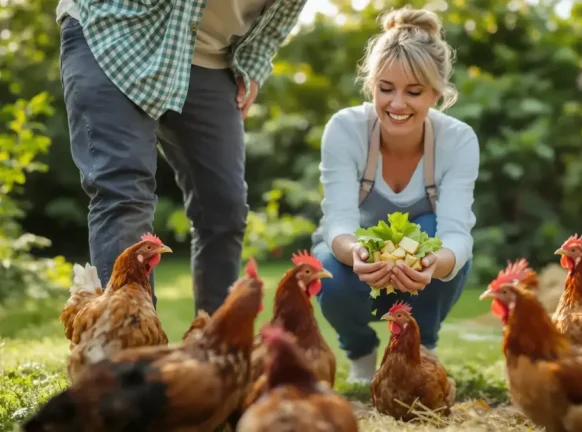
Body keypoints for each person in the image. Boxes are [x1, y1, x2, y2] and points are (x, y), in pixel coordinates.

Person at [55, 0, 308, 315]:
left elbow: (285, 10)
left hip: (211, 59)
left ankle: (214, 351)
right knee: (124, 193)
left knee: (224, 208)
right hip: (116, 27)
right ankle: (126, 352)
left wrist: (254, 63)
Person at [311, 6, 480, 384]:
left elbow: (456, 234)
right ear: (371, 86)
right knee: (326, 272)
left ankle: (423, 348)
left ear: (436, 93)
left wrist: (433, 263)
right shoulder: (345, 129)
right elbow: (337, 220)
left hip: (424, 267)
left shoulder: (458, 140)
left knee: (434, 229)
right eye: (386, 89)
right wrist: (355, 253)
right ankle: (360, 353)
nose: (397, 104)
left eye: (414, 92)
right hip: (356, 263)